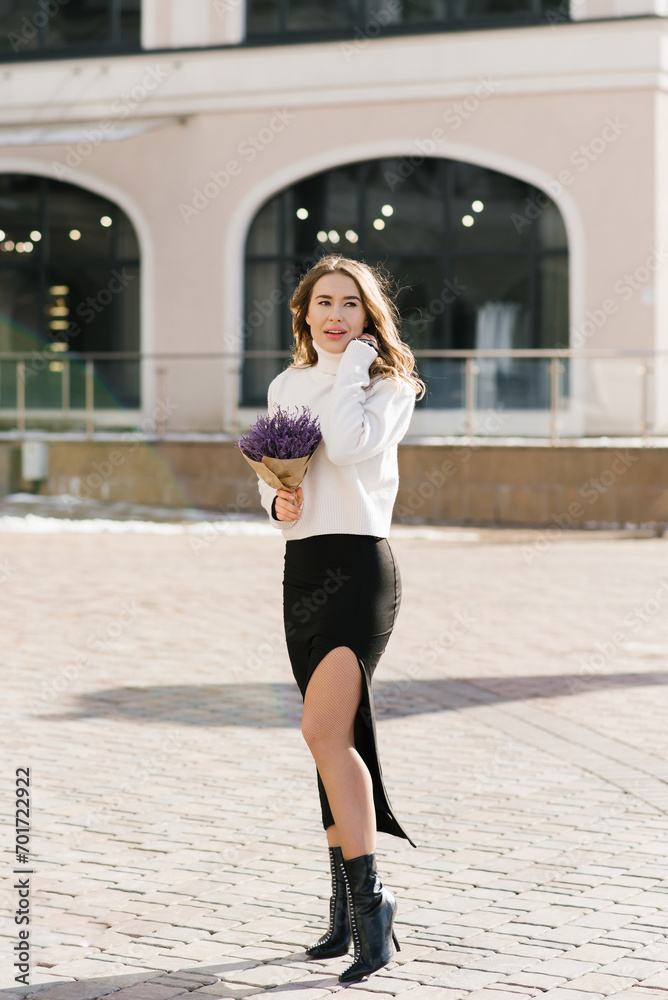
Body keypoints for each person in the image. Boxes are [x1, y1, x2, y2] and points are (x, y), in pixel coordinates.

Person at [255, 254, 424, 984]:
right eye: (323, 302)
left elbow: (352, 446)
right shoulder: (287, 384)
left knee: (323, 731)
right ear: (304, 313)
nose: (334, 314)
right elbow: (275, 471)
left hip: (359, 571)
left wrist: (352, 367)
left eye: (350, 304)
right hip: (303, 569)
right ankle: (343, 914)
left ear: (367, 316)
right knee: (333, 745)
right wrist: (276, 503)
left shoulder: (389, 385)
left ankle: (373, 906)